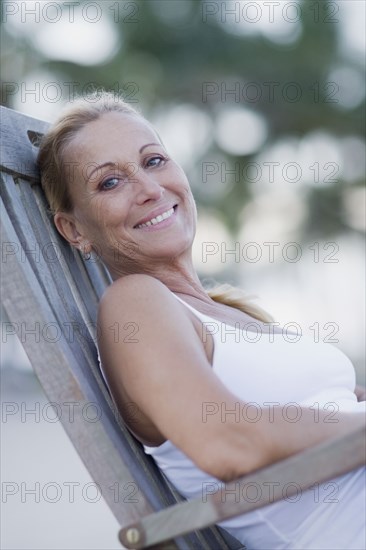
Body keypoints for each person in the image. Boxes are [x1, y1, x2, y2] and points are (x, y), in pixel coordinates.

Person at [37, 92, 365, 549]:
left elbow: (324, 405)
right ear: (74, 229)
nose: (150, 188)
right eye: (110, 182)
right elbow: (228, 444)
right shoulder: (135, 304)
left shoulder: (219, 312)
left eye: (153, 161)